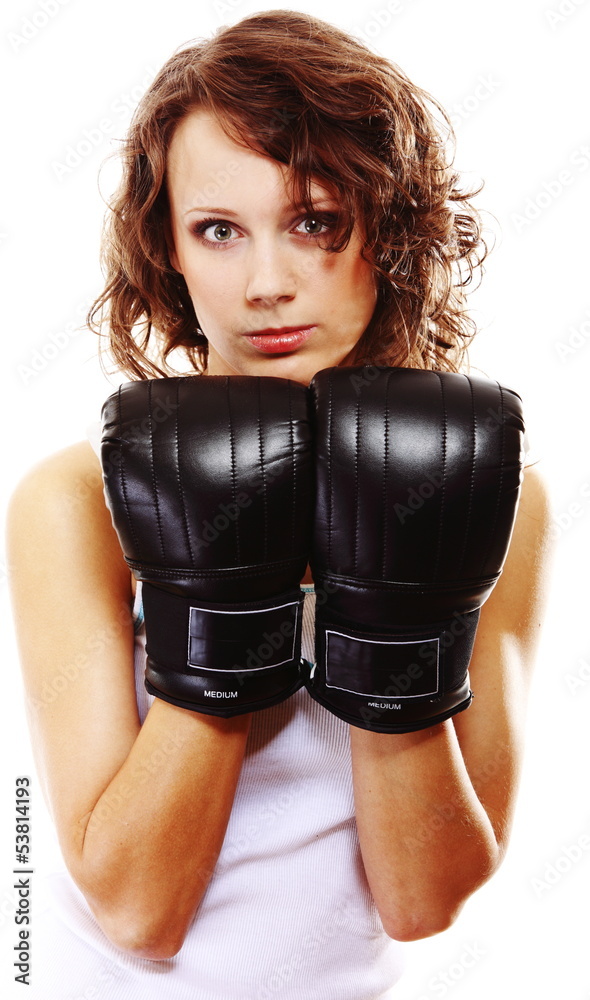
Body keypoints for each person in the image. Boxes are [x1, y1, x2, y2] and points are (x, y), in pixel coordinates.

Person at [6, 9, 552, 999]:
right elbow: (137, 909)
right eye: (218, 229)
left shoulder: (482, 489)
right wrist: (222, 586)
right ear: (165, 247)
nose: (265, 283)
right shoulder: (73, 501)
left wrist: (395, 601)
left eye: (313, 222)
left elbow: (420, 904)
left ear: (383, 228)